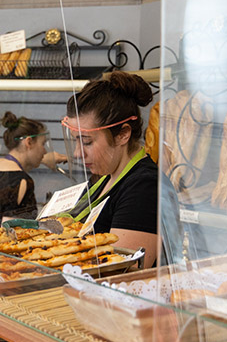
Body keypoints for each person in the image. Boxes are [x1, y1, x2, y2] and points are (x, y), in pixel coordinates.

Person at [63, 71, 158, 267]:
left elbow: (122, 270)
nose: (77, 153)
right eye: (75, 141)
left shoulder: (145, 187)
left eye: (87, 142)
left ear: (122, 134)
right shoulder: (104, 177)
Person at [0, 111, 67, 223]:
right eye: (43, 144)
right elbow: (25, 230)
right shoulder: (23, 181)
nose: (45, 151)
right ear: (29, 142)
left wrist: (42, 159)